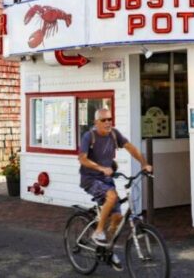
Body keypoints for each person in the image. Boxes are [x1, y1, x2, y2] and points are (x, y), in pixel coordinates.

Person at [78, 107, 152, 271]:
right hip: (90, 179)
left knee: (117, 217)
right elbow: (82, 159)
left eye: (109, 119)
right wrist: (100, 168)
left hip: (107, 179)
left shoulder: (114, 134)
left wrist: (144, 163)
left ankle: (107, 250)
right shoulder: (89, 136)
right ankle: (98, 231)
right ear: (96, 122)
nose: (107, 122)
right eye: (103, 120)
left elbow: (131, 148)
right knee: (112, 197)